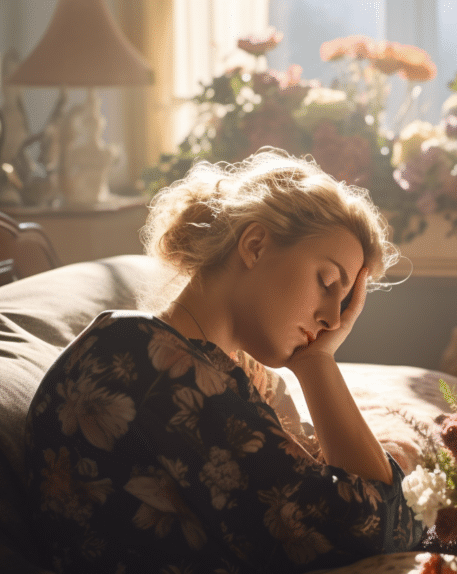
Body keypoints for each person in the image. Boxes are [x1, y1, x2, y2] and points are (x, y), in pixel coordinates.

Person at [23, 148, 423, 573]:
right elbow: (373, 531)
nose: (332, 319)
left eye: (344, 301)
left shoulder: (231, 373)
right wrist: (318, 365)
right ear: (254, 245)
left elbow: (384, 515)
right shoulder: (135, 356)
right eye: (326, 282)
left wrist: (315, 361)